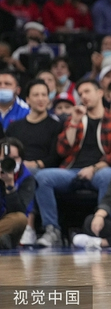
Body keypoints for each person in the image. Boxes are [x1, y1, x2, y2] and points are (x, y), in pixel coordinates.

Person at [34, 79, 111, 247]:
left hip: (100, 170)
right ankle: (52, 229)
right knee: (43, 177)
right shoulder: (75, 119)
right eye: (80, 94)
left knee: (108, 175)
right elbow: (62, 150)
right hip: (72, 171)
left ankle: (100, 227)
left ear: (100, 93)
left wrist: (93, 168)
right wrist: (74, 122)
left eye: (87, 92)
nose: (83, 96)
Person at [5, 79, 62, 245]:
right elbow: (6, 151)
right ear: (28, 99)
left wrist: (35, 164)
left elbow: (56, 156)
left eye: (44, 95)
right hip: (16, 166)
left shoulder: (55, 125)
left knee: (32, 174)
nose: (41, 98)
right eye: (36, 95)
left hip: (42, 168)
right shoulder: (15, 127)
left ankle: (30, 227)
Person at [0, 137, 36, 248]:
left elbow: (20, 210)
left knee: (20, 219)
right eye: (5, 159)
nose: (9, 162)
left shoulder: (27, 178)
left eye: (14, 158)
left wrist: (10, 186)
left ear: (21, 159)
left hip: (6, 223)